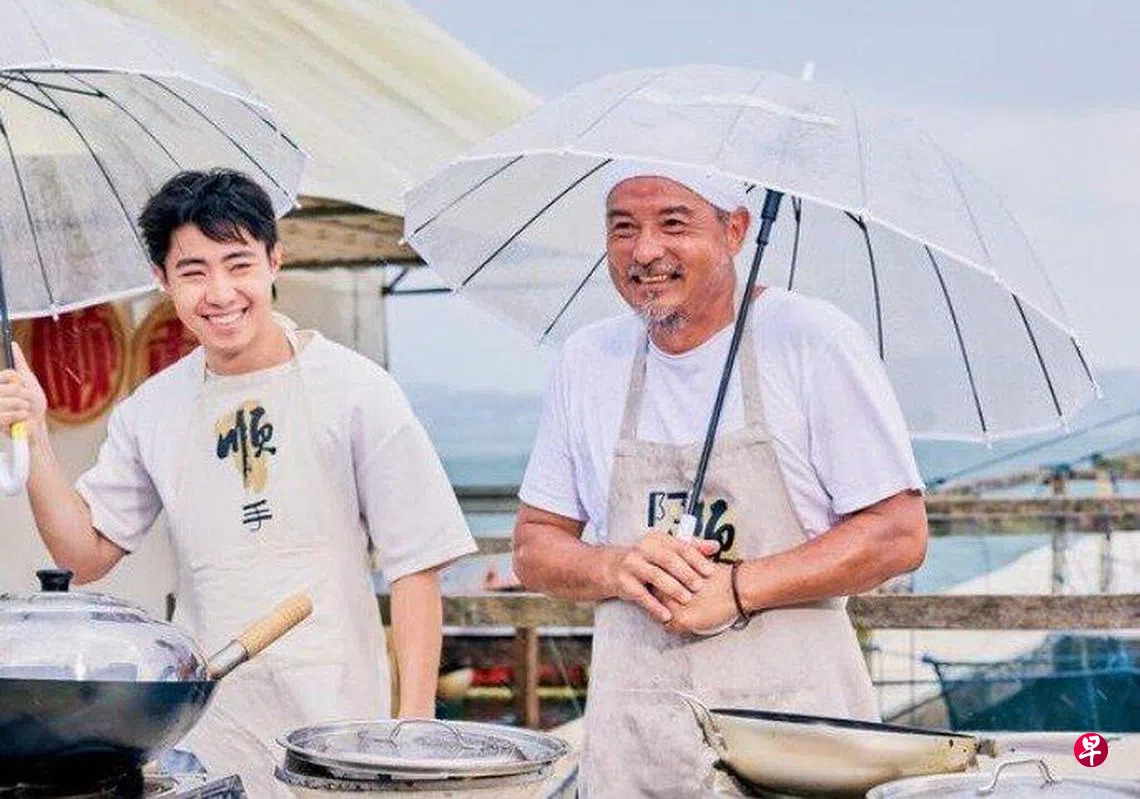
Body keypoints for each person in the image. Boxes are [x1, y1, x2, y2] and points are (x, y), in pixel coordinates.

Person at [0, 169, 475, 796]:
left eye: (238, 263)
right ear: (163, 279)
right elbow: (82, 556)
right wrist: (33, 433)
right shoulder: (152, 410)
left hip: (339, 732)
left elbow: (416, 566)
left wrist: (412, 731)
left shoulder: (357, 390)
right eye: (193, 271)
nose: (220, 292)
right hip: (210, 733)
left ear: (275, 260)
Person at [512, 163, 928, 797]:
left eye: (673, 224)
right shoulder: (588, 360)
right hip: (639, 747)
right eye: (623, 228)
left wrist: (737, 587)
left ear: (735, 231)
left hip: (798, 743)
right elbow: (534, 544)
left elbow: (897, 534)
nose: (644, 251)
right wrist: (615, 567)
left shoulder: (812, 342)